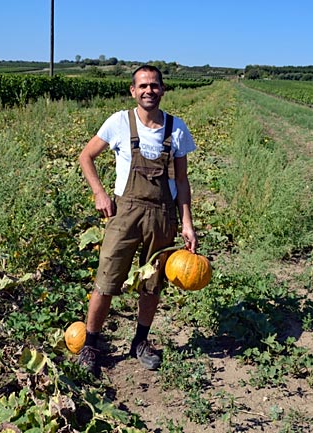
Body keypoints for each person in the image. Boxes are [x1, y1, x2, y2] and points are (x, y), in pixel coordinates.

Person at [77, 64, 198, 377]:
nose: (149, 91)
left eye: (154, 86)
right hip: (125, 212)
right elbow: (85, 156)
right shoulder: (119, 122)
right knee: (106, 279)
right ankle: (90, 344)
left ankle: (140, 342)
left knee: (152, 283)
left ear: (163, 90)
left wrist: (187, 222)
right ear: (133, 90)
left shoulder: (176, 127)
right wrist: (100, 194)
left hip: (162, 214)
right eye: (143, 86)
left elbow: (182, 181)